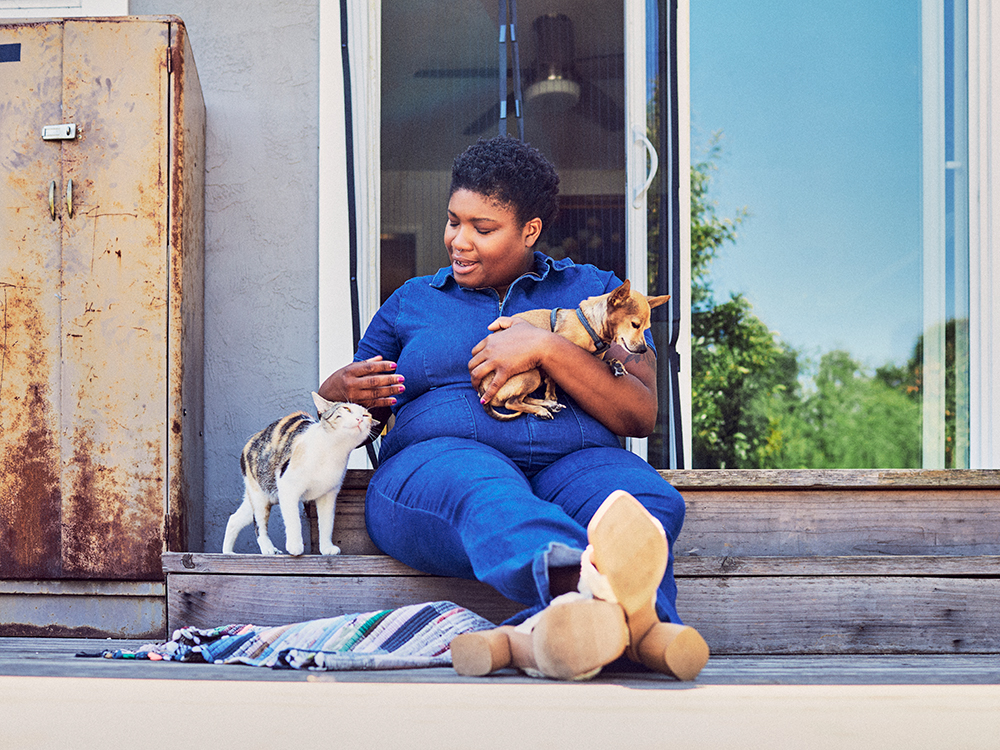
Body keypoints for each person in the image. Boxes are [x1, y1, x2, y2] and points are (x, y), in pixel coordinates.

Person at [318, 135, 708, 680]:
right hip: (440, 466)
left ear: (530, 230)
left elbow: (639, 413)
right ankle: (635, 624)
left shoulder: (597, 293)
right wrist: (337, 390)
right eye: (453, 221)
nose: (459, 241)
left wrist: (546, 346)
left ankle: (537, 636)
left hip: (576, 463)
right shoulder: (412, 301)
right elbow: (355, 421)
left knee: (641, 500)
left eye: (482, 228)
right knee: (486, 491)